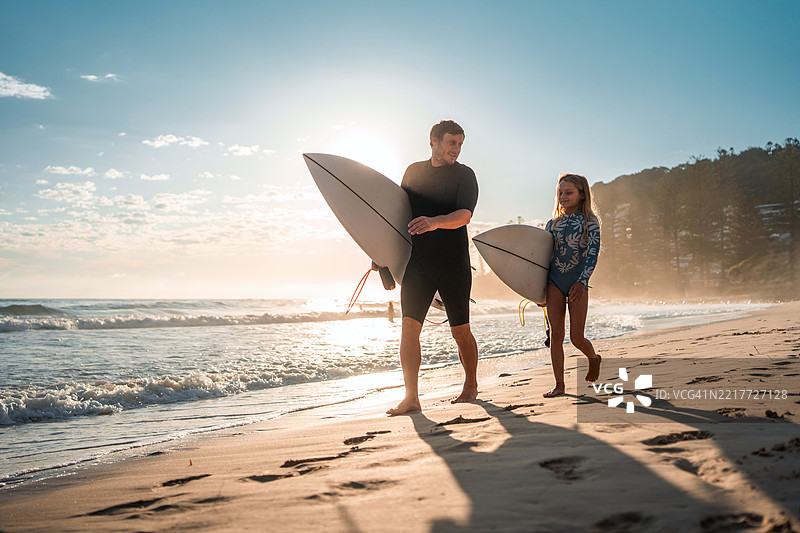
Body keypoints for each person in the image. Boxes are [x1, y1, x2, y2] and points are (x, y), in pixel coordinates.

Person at [386, 120, 479, 416]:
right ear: (434, 141)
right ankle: (411, 397)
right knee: (409, 329)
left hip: (453, 264)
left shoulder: (465, 175)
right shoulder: (414, 172)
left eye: (460, 144)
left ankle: (471, 385)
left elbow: (464, 215)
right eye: (452, 142)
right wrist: (380, 253)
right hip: (420, 263)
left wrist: (435, 221)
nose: (456, 149)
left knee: (460, 331)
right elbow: (398, 215)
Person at [542, 173, 601, 398]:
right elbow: (543, 258)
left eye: (568, 193)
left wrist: (583, 281)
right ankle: (560, 385)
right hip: (554, 282)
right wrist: (538, 291)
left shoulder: (590, 222)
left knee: (577, 338)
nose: (563, 197)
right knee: (556, 334)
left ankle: (593, 358)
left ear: (581, 194)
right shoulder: (552, 224)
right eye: (560, 193)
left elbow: (592, 255)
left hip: (577, 282)